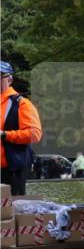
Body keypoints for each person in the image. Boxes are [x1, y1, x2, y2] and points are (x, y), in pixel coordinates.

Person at [0, 61, 43, 196]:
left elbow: (34, 134)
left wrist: (4, 134)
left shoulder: (22, 103)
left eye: (0, 76)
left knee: (12, 204)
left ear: (9, 79)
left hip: (12, 169)